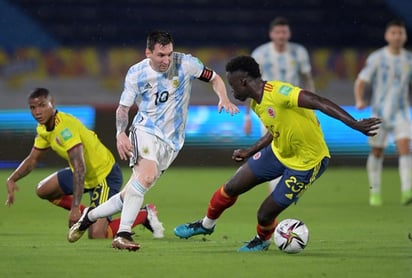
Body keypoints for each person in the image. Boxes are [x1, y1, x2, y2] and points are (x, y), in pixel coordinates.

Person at [173, 55, 381, 252]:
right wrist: (250, 151)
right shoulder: (256, 103)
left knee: (264, 214)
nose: (231, 89)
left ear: (244, 82)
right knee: (231, 187)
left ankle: (262, 241)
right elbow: (275, 131)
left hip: (306, 163)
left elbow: (319, 101)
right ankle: (206, 224)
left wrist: (354, 123)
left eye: (232, 84)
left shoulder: (280, 92)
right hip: (278, 152)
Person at [67, 30, 239, 251]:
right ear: (148, 52)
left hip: (172, 142)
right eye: (160, 55)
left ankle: (89, 216)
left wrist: (223, 97)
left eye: (169, 53)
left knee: (131, 193)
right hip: (145, 130)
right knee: (146, 177)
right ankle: (122, 234)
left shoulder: (186, 63)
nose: (166, 60)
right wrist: (121, 133)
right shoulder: (136, 73)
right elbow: (123, 108)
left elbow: (214, 78)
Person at [5, 88, 165, 240]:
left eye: (41, 105)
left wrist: (75, 208)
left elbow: (80, 167)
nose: (37, 112)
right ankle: (88, 215)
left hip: (103, 175)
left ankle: (144, 214)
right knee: (43, 190)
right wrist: (12, 179)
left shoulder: (65, 128)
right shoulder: (44, 128)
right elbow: (32, 159)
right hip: (82, 174)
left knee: (97, 234)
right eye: (33, 108)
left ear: (52, 103)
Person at [244, 16, 315, 193]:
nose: (281, 35)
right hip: (268, 109)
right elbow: (250, 85)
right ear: (271, 34)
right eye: (278, 32)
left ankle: (286, 187)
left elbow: (307, 79)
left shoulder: (299, 52)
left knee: (294, 149)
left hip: (294, 108)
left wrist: (312, 106)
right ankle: (275, 192)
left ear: (289, 33)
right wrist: (247, 116)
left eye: (284, 32)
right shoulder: (260, 54)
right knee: (274, 149)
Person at [354, 19, 412, 206]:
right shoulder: (377, 57)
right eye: (393, 33)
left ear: (404, 36)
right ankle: (375, 193)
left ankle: (407, 191)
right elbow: (361, 80)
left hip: (402, 112)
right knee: (377, 151)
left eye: (400, 33)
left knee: (405, 148)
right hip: (379, 113)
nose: (397, 36)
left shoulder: (409, 59)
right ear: (387, 35)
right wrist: (360, 99)